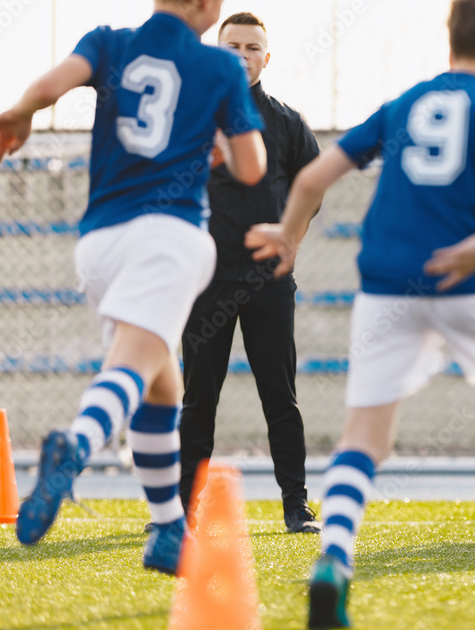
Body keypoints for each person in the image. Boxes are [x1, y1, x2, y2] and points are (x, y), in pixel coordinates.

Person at [245, 0, 475, 630]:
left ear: (451, 45)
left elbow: (318, 172)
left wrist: (285, 232)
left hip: (387, 283)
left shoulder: (407, 103)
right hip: (467, 274)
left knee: (366, 437)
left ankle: (333, 558)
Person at [0, 0, 266, 574]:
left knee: (161, 385)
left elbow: (50, 85)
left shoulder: (110, 40)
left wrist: (19, 113)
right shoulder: (219, 69)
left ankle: (166, 530)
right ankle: (77, 446)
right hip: (169, 237)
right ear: (210, 9)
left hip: (100, 244)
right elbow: (253, 165)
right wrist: (221, 143)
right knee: (131, 373)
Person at [178, 11, 323, 534]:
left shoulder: (286, 121)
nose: (242, 55)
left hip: (267, 282)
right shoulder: (192, 119)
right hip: (206, 280)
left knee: (280, 397)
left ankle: (296, 506)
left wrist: (291, 243)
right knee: (198, 397)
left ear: (267, 57)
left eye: (252, 47)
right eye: (231, 46)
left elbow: (313, 190)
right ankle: (183, 512)